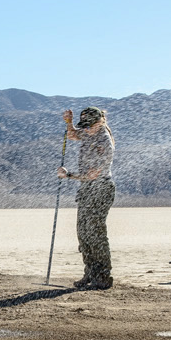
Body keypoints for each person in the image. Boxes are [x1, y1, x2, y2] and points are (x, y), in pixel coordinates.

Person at [59, 107, 116, 290]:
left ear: (99, 122)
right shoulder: (87, 133)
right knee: (83, 233)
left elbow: (93, 174)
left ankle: (103, 276)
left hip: (101, 188)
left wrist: (69, 176)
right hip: (87, 190)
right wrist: (69, 122)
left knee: (95, 233)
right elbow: (72, 135)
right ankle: (89, 273)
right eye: (84, 126)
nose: (86, 129)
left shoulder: (104, 141)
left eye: (89, 126)